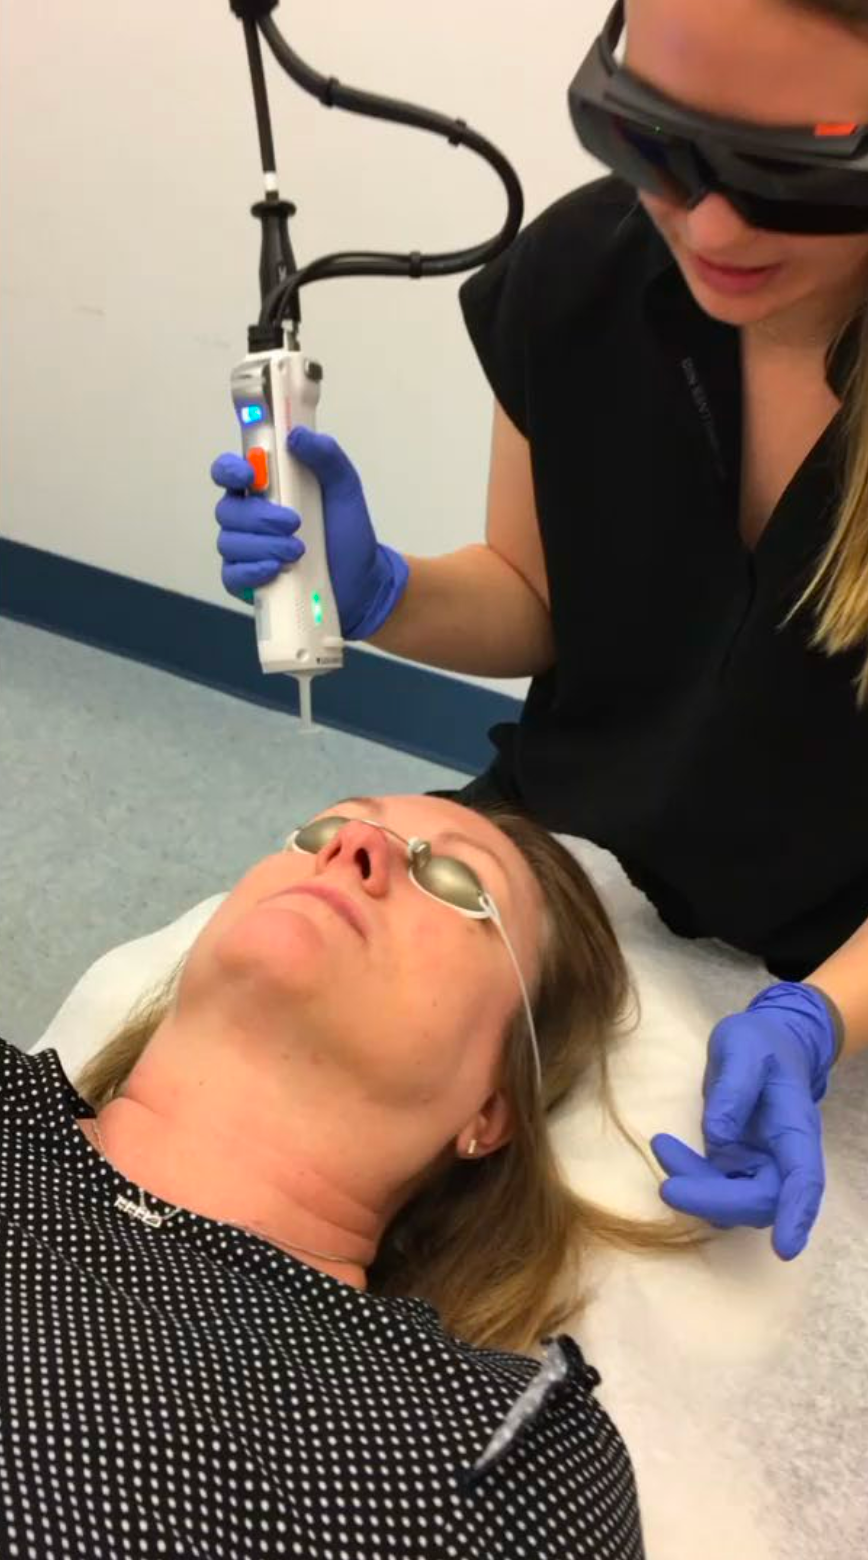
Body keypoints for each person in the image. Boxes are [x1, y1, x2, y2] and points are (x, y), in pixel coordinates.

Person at [212, 0, 868, 1263]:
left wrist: (816, 1020)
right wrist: (383, 589)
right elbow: (536, 594)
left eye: (792, 175)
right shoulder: (584, 277)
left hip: (828, 966)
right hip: (552, 854)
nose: (713, 225)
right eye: (654, 141)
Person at [1, 791, 691, 1560]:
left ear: (492, 1109)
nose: (356, 842)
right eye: (324, 827)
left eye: (461, 884)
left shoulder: (494, 1451)